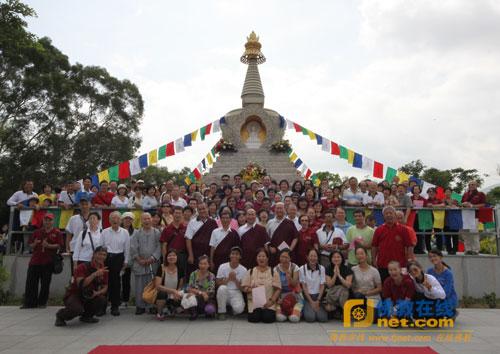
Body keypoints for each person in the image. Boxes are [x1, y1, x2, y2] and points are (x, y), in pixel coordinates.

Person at [55, 246, 109, 326]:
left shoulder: (104, 270)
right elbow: (81, 284)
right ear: (94, 254)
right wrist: (94, 275)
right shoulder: (82, 267)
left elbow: (105, 287)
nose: (101, 257)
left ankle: (87, 316)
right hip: (75, 294)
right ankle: (60, 316)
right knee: (76, 309)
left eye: (104, 255)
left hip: (89, 295)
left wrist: (97, 293)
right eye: (99, 254)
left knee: (102, 300)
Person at [21, 213, 64, 309]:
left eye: (49, 220)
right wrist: (35, 243)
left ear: (53, 221)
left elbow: (59, 245)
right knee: (31, 282)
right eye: (46, 220)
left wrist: (49, 246)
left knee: (45, 283)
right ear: (43, 221)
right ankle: (29, 303)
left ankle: (42, 302)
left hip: (48, 261)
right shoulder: (37, 232)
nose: (47, 222)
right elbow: (30, 245)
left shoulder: (57, 232)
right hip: (35, 260)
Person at [372, 206, 414, 283]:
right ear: (383, 216)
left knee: (401, 285)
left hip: (400, 264)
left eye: (390, 213)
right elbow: (374, 246)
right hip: (383, 264)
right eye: (386, 213)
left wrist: (409, 259)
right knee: (385, 285)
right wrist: (374, 260)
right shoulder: (378, 230)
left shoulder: (403, 229)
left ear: (394, 215)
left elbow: (409, 246)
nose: (388, 215)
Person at [130, 212, 161, 315]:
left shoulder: (157, 232)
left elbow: (159, 247)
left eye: (148, 218)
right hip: (140, 263)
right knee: (139, 285)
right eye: (144, 219)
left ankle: (151, 305)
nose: (146, 221)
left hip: (152, 263)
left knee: (152, 285)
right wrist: (139, 259)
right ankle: (140, 306)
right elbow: (133, 247)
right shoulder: (137, 233)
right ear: (141, 221)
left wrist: (152, 258)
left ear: (151, 219)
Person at [101, 211, 130, 316]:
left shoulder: (125, 232)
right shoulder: (104, 232)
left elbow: (127, 248)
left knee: (116, 284)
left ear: (120, 220)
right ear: (109, 220)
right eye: (113, 218)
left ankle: (115, 306)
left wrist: (126, 261)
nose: (115, 220)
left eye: (117, 218)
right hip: (107, 258)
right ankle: (102, 306)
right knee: (104, 283)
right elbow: (101, 247)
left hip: (119, 258)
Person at [241, 248, 281, 323]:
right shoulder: (251, 271)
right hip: (254, 303)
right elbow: (244, 288)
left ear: (267, 258)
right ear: (256, 258)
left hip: (269, 303)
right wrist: (251, 289)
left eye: (263, 256)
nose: (261, 258)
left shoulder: (273, 272)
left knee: (268, 319)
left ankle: (265, 311)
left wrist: (271, 301)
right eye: (259, 256)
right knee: (254, 319)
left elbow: (278, 289)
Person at [185, 202, 219, 277]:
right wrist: (190, 255)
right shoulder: (192, 222)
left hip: (208, 252)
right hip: (195, 253)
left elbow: (216, 240)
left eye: (204, 208)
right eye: (200, 209)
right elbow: (188, 239)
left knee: (207, 274)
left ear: (207, 209)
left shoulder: (213, 222)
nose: (202, 211)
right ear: (197, 210)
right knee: (194, 274)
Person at [216, 246, 247, 320]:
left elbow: (243, 289)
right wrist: (228, 279)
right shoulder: (222, 266)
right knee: (222, 288)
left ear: (240, 257)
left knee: (239, 309)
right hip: (224, 291)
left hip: (236, 292)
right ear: (229, 255)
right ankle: (222, 312)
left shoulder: (244, 269)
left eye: (237, 254)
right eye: (232, 253)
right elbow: (217, 283)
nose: (234, 256)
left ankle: (231, 309)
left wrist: (235, 280)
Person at [155, 249, 185, 320]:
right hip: (164, 292)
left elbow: (180, 286)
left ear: (177, 257)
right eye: (169, 256)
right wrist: (172, 291)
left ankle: (172, 309)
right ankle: (160, 313)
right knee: (161, 294)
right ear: (166, 258)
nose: (171, 257)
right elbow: (158, 286)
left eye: (174, 255)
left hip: (174, 294)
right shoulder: (161, 268)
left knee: (184, 296)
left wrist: (177, 292)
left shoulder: (180, 269)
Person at [427, 249, 458, 317]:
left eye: (434, 256)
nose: (432, 258)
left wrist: (436, 296)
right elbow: (427, 286)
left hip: (447, 298)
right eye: (430, 257)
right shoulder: (429, 271)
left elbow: (447, 292)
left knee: (440, 313)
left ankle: (452, 312)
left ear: (440, 257)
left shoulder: (448, 273)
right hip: (434, 296)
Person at [299, 248, 328, 322]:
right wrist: (311, 301)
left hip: (318, 296)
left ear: (318, 257)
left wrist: (318, 300)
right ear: (307, 257)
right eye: (311, 256)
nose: (313, 258)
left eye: (315, 256)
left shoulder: (322, 268)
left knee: (323, 318)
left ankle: (316, 308)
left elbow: (322, 286)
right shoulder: (302, 268)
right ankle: (309, 308)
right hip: (308, 297)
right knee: (310, 318)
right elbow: (304, 287)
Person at [274, 249, 302, 322]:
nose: (283, 259)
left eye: (286, 257)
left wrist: (289, 278)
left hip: (295, 294)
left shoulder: (295, 267)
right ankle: (285, 312)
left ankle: (294, 312)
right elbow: (276, 287)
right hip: (281, 294)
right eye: (282, 257)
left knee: (294, 319)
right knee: (280, 318)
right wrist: (278, 298)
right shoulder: (276, 269)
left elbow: (294, 284)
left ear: (290, 258)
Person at [186, 255, 216, 320]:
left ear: (208, 265)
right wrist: (201, 293)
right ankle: (194, 313)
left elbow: (211, 291)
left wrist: (202, 293)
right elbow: (190, 288)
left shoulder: (211, 276)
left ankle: (206, 312)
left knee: (210, 310)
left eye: (205, 264)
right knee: (190, 296)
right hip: (195, 297)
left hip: (207, 299)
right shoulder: (193, 274)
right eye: (201, 263)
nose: (202, 266)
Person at [324, 250, 352, 318]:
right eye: (334, 257)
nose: (336, 259)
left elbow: (348, 285)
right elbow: (329, 285)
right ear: (331, 259)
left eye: (338, 257)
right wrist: (335, 275)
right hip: (332, 292)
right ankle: (338, 308)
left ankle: (343, 310)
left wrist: (339, 275)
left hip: (344, 293)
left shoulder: (347, 269)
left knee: (343, 290)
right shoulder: (328, 268)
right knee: (328, 309)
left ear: (342, 258)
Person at [160, 206, 187, 277]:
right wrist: (164, 259)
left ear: (182, 215)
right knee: (170, 275)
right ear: (172, 214)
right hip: (171, 256)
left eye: (179, 213)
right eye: (176, 213)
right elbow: (164, 245)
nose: (177, 215)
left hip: (182, 255)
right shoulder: (167, 229)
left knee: (182, 276)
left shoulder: (185, 228)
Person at [461, 180, 486, 255]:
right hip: (465, 215)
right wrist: (464, 204)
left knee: (474, 233)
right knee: (465, 233)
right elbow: (461, 203)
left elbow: (483, 204)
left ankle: (475, 250)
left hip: (475, 216)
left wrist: (472, 206)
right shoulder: (465, 194)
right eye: (470, 184)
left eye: (473, 184)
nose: (471, 186)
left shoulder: (480, 194)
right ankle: (468, 249)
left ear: (476, 185)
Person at [120, 212, 135, 307]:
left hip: (130, 260)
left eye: (130, 219)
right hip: (119, 258)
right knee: (116, 281)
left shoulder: (135, 232)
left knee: (126, 281)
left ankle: (125, 300)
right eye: (126, 218)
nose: (128, 220)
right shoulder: (118, 230)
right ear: (122, 220)